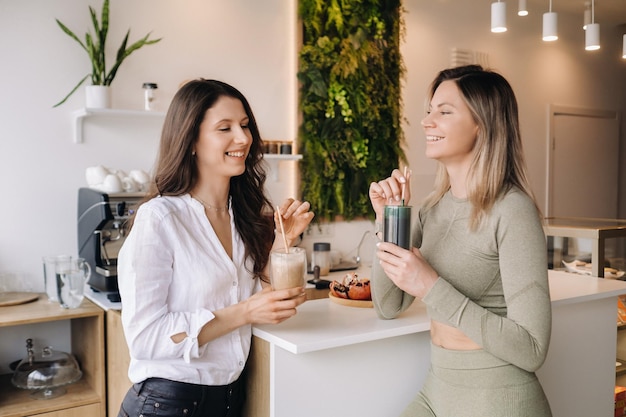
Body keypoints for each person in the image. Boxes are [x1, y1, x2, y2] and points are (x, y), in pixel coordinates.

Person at [116, 79, 314, 417]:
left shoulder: (243, 216)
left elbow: (262, 300)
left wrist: (283, 242)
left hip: (229, 400)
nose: (243, 138)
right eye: (225, 128)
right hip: (167, 404)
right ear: (191, 141)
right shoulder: (160, 218)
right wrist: (245, 312)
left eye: (245, 125)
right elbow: (145, 337)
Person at [369, 65, 552, 416]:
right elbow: (388, 305)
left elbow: (532, 348)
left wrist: (430, 285)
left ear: (481, 125)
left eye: (444, 112)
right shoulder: (432, 209)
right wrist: (389, 219)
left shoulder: (512, 211)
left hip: (498, 398)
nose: (426, 121)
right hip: (438, 388)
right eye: (429, 111)